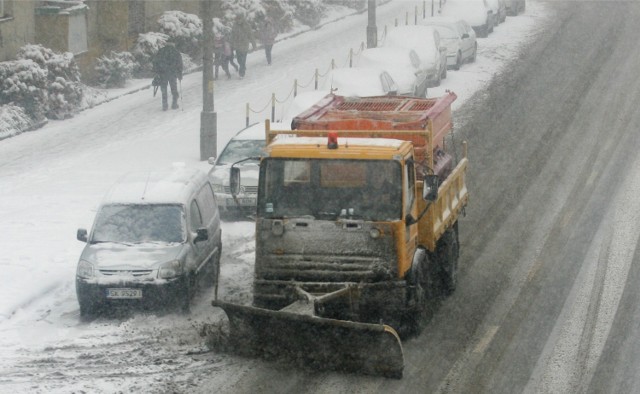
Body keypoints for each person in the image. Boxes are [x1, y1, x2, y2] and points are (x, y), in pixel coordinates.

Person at [152, 42, 183, 111]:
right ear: (172, 44)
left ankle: (164, 105)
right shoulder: (176, 52)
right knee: (174, 89)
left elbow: (155, 62)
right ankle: (174, 104)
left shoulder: (161, 51)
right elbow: (179, 64)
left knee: (164, 90)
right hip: (172, 73)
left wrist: (156, 72)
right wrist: (179, 74)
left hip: (163, 74)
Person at [230, 11, 256, 79]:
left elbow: (251, 35)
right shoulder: (234, 25)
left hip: (244, 45)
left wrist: (254, 44)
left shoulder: (246, 25)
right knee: (239, 60)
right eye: (237, 18)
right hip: (237, 46)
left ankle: (241, 73)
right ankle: (243, 66)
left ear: (242, 18)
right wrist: (232, 44)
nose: (238, 20)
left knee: (243, 60)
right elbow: (232, 35)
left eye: (240, 18)